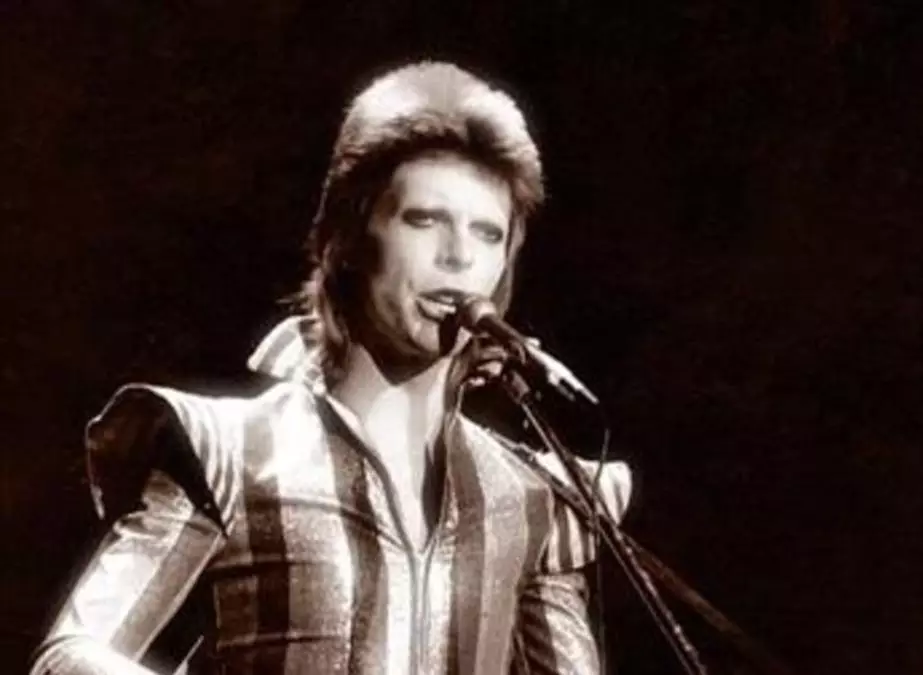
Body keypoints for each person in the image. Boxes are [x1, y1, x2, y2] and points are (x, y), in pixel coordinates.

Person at [30, 61, 632, 675]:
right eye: (424, 220)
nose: (458, 257)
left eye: (487, 234)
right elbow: (68, 659)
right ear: (348, 238)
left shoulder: (528, 496)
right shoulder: (233, 451)